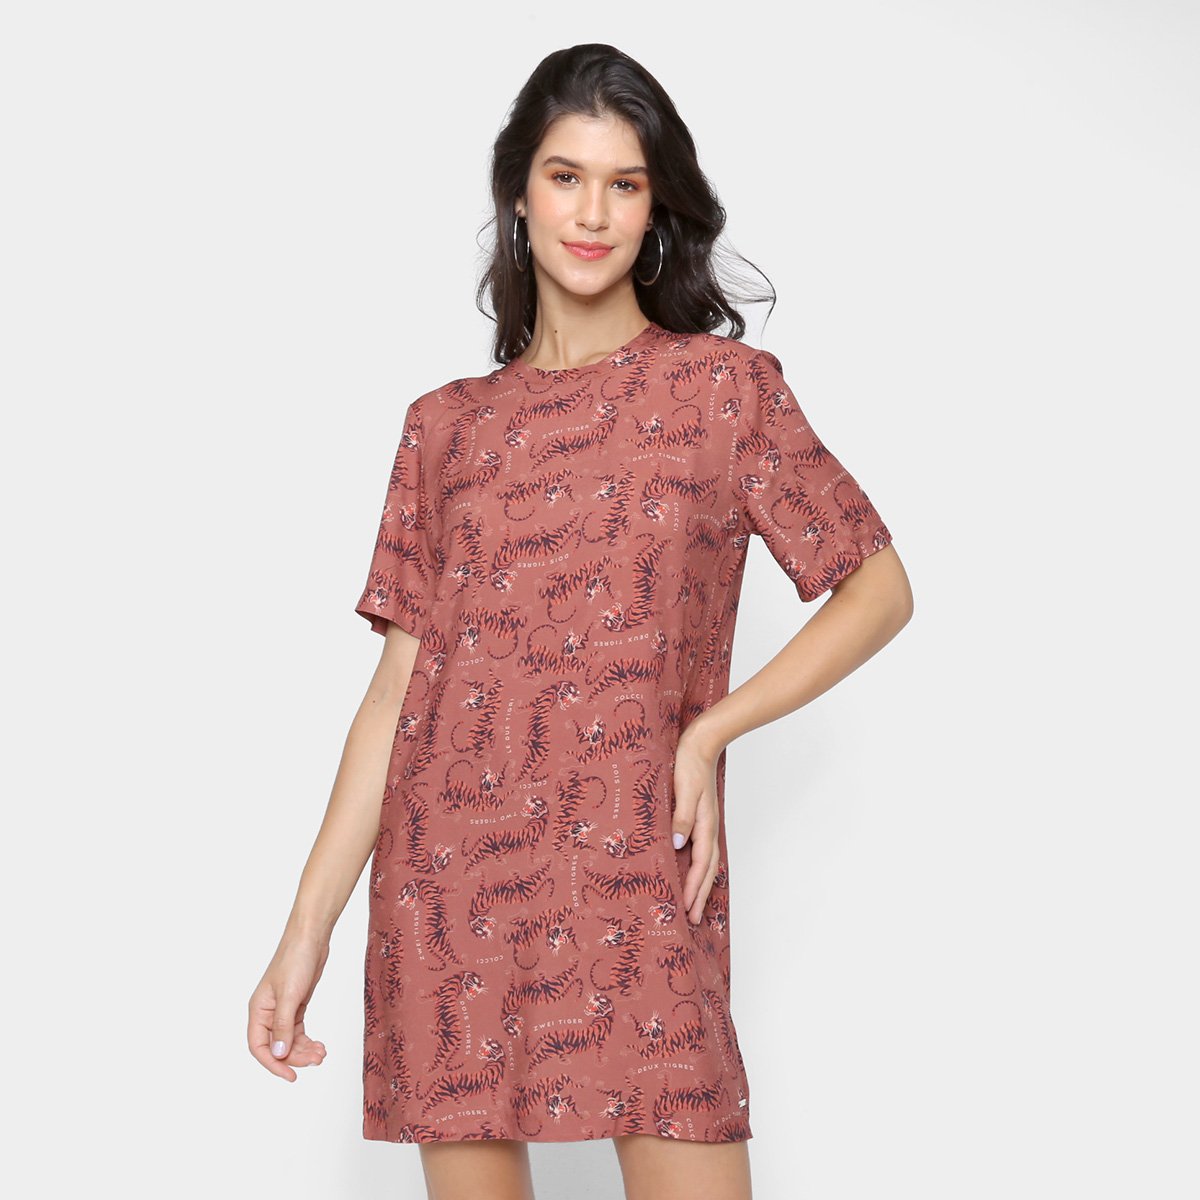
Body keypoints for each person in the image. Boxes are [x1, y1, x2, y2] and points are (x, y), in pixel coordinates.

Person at [248, 42, 913, 1200]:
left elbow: (878, 589)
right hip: (452, 897)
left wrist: (710, 731)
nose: (593, 213)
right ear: (519, 192)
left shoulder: (724, 393)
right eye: (566, 178)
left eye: (624, 183)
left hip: (638, 879)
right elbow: (397, 694)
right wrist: (304, 932)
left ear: (656, 208)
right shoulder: (445, 428)